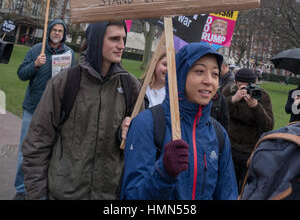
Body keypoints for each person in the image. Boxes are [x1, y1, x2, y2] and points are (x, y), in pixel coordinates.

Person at [22, 21, 142, 200]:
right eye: (114, 39)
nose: (122, 45)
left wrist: (128, 135)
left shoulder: (131, 86)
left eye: (123, 39)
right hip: (64, 193)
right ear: (95, 41)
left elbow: (140, 149)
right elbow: (37, 143)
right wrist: (37, 195)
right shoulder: (65, 82)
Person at [121, 42, 238, 200]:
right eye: (199, 71)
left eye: (215, 74)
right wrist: (163, 173)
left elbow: (227, 193)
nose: (209, 80)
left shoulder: (219, 134)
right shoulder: (147, 124)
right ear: (180, 74)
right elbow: (131, 196)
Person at [13, 19, 76, 200]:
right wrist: (35, 65)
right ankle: (21, 188)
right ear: (49, 31)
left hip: (55, 112)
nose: (57, 33)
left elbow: (74, 81)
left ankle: (42, 187)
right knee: (26, 151)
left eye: (60, 31)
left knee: (49, 151)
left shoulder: (69, 54)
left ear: (64, 34)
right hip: (33, 108)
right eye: (54, 30)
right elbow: (21, 74)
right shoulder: (36, 50)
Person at [222, 67, 274, 193]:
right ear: (235, 83)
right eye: (241, 86)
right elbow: (217, 114)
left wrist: (256, 107)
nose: (245, 90)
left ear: (255, 83)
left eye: (248, 86)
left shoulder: (263, 95)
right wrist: (232, 100)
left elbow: (268, 126)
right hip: (230, 147)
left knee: (246, 188)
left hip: (250, 150)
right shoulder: (228, 91)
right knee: (227, 186)